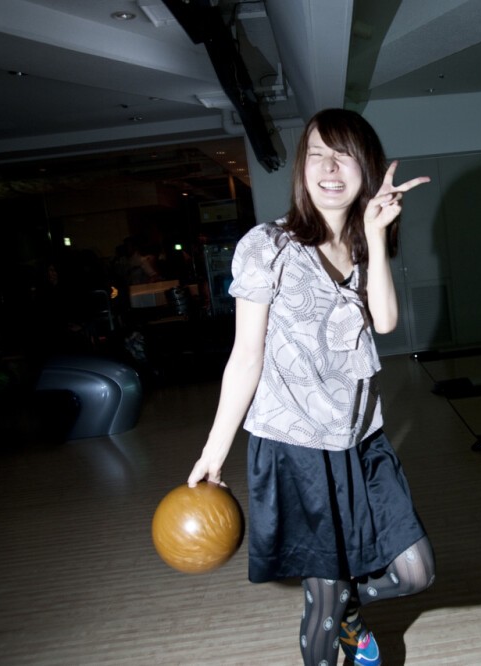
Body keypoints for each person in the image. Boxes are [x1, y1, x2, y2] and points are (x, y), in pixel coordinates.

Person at [187, 109, 435, 666]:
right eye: (318, 154)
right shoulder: (267, 245)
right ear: (302, 167)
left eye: (343, 156)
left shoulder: (363, 244)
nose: (329, 168)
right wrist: (213, 453)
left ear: (365, 169)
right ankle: (338, 613)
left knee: (414, 572)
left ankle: (349, 611)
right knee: (323, 601)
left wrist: (376, 235)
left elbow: (386, 322)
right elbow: (245, 357)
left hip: (362, 442)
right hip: (296, 448)